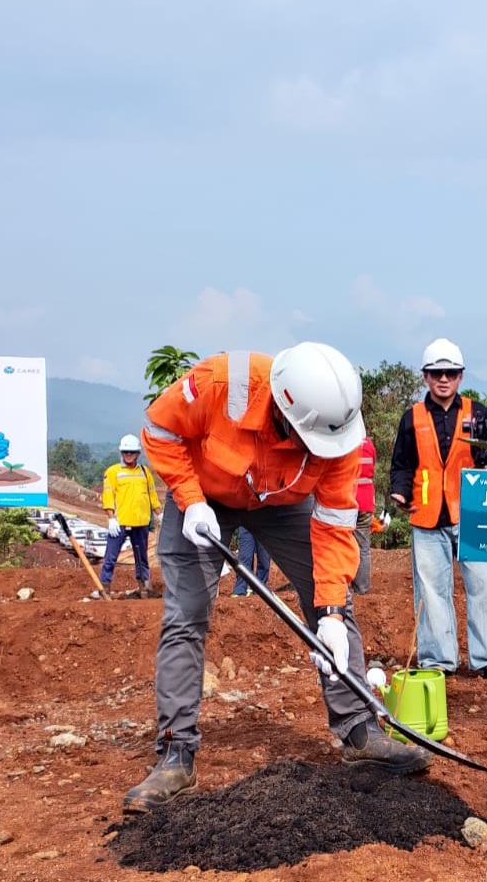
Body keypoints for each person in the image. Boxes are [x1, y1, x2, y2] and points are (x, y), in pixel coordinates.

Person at [123, 343, 430, 814]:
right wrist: (189, 498)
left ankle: (360, 731)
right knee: (186, 615)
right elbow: (159, 428)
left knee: (336, 607)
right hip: (205, 496)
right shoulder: (221, 384)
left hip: (285, 503)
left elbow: (332, 526)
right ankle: (175, 753)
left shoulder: (338, 433)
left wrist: (327, 611)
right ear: (285, 412)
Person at [389, 337, 487, 681]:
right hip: (427, 515)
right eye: (437, 373)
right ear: (426, 376)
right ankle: (438, 660)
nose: (444, 379)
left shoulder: (478, 413)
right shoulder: (412, 418)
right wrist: (399, 493)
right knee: (430, 590)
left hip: (471, 514)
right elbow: (401, 465)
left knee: (484, 583)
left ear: (461, 377)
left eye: (451, 373)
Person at [100, 434, 161, 599]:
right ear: (121, 452)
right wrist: (111, 518)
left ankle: (145, 588)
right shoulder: (113, 472)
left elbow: (152, 494)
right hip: (120, 523)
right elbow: (108, 496)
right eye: (125, 452)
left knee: (142, 559)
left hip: (140, 522)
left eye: (132, 452)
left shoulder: (144, 472)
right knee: (111, 557)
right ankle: (105, 588)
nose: (128, 455)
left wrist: (158, 513)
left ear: (138, 453)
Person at [351, 436, 376, 594]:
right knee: (363, 546)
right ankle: (362, 587)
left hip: (348, 498)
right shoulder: (369, 445)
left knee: (344, 543)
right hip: (367, 500)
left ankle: (345, 585)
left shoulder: (346, 442)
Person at [231, 527, 271, 596]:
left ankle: (260, 589)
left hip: (265, 524)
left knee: (264, 561)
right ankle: (240, 590)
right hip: (245, 524)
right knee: (244, 558)